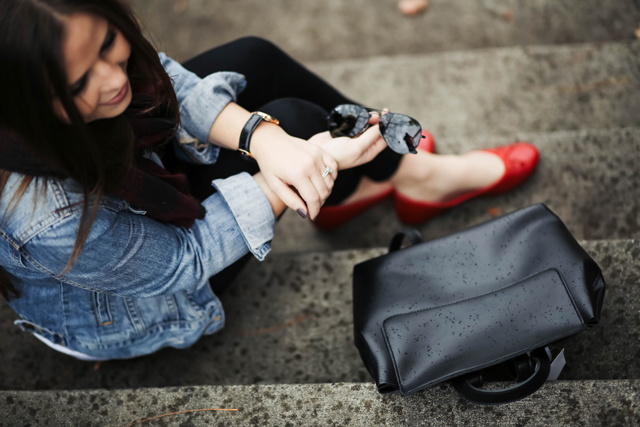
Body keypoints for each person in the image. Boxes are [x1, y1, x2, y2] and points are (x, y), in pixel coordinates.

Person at [0, 0, 538, 361]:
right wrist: (288, 172)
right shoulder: (42, 214)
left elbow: (167, 83)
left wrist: (265, 141)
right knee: (300, 124)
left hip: (141, 174)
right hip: (142, 302)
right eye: (78, 83)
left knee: (257, 66)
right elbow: (182, 262)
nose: (114, 78)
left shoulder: (89, 67)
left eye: (107, 45)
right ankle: (385, 180)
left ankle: (406, 175)